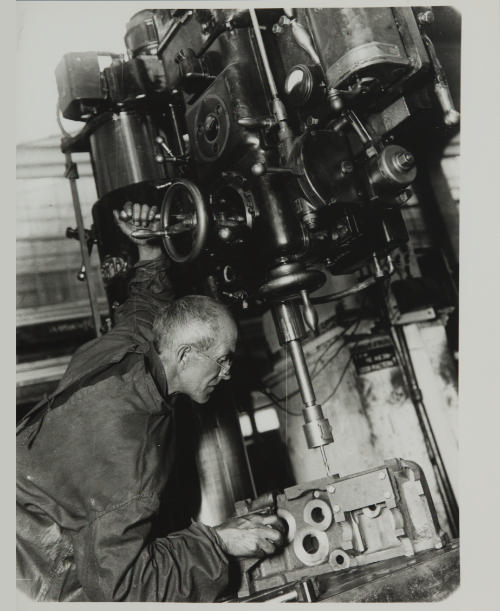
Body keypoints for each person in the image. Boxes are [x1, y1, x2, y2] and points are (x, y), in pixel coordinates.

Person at [16, 202, 284, 602]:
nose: (227, 373)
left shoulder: (126, 348)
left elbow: (147, 308)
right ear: (185, 355)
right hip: (31, 574)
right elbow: (124, 590)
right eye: (223, 360)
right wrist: (218, 542)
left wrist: (150, 252)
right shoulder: (132, 450)